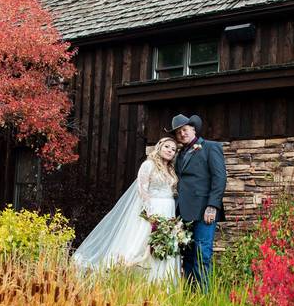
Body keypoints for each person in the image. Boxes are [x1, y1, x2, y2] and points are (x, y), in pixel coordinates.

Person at [72, 137, 181, 284]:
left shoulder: (170, 169)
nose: (170, 151)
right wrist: (150, 212)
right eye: (167, 147)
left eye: (173, 149)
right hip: (154, 209)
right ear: (159, 147)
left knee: (164, 245)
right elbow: (142, 189)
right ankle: (133, 279)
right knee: (142, 244)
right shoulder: (149, 165)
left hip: (169, 210)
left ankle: (161, 281)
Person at [170, 114, 227, 290]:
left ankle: (204, 297)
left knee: (203, 254)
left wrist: (212, 206)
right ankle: (189, 295)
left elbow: (220, 178)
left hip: (204, 211)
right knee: (187, 256)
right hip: (183, 213)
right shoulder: (178, 155)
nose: (182, 134)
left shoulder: (210, 147)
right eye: (179, 132)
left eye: (185, 130)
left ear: (193, 129)